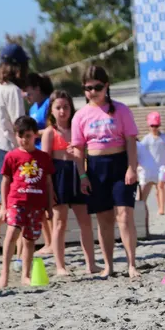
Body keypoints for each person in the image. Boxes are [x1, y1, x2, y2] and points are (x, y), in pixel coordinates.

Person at [72, 65, 140, 278]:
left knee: (125, 215)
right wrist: (83, 175)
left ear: (106, 86)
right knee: (104, 218)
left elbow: (131, 140)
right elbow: (78, 149)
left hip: (119, 163)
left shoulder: (121, 110)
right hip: (95, 167)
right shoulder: (80, 116)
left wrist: (131, 167)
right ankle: (109, 265)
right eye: (88, 88)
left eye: (97, 87)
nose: (93, 92)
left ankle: (131, 264)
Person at [41, 90, 99, 275]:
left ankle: (91, 263)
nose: (62, 111)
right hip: (59, 178)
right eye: (58, 107)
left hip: (77, 175)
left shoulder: (77, 128)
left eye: (66, 107)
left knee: (85, 221)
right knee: (59, 222)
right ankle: (60, 266)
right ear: (51, 110)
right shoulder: (50, 133)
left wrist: (84, 176)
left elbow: (82, 155)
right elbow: (45, 162)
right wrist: (50, 189)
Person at [0, 116, 54, 288]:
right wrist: (5, 206)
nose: (24, 140)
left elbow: (49, 183)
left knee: (29, 240)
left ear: (35, 135)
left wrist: (49, 207)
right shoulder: (11, 156)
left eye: (28, 135)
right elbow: (5, 181)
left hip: (36, 204)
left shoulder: (43, 157)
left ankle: (25, 275)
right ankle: (5, 273)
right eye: (20, 136)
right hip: (17, 201)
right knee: (13, 232)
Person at [0, 44, 30, 245]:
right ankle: (19, 256)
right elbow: (20, 124)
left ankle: (19, 256)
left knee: (5, 203)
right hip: (9, 150)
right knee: (14, 204)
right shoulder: (13, 90)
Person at [26, 72, 55, 255]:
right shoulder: (32, 109)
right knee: (39, 201)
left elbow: (53, 128)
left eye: (28, 92)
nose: (27, 96)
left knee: (49, 200)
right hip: (33, 156)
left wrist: (36, 134)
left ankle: (53, 241)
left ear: (37, 88)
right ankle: (48, 241)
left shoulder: (47, 105)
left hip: (47, 154)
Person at [138, 111, 165, 215]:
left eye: (156, 125)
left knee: (160, 186)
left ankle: (161, 208)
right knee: (146, 187)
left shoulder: (164, 137)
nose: (154, 128)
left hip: (162, 166)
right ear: (149, 126)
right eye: (152, 126)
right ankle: (141, 206)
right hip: (150, 168)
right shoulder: (146, 139)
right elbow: (140, 152)